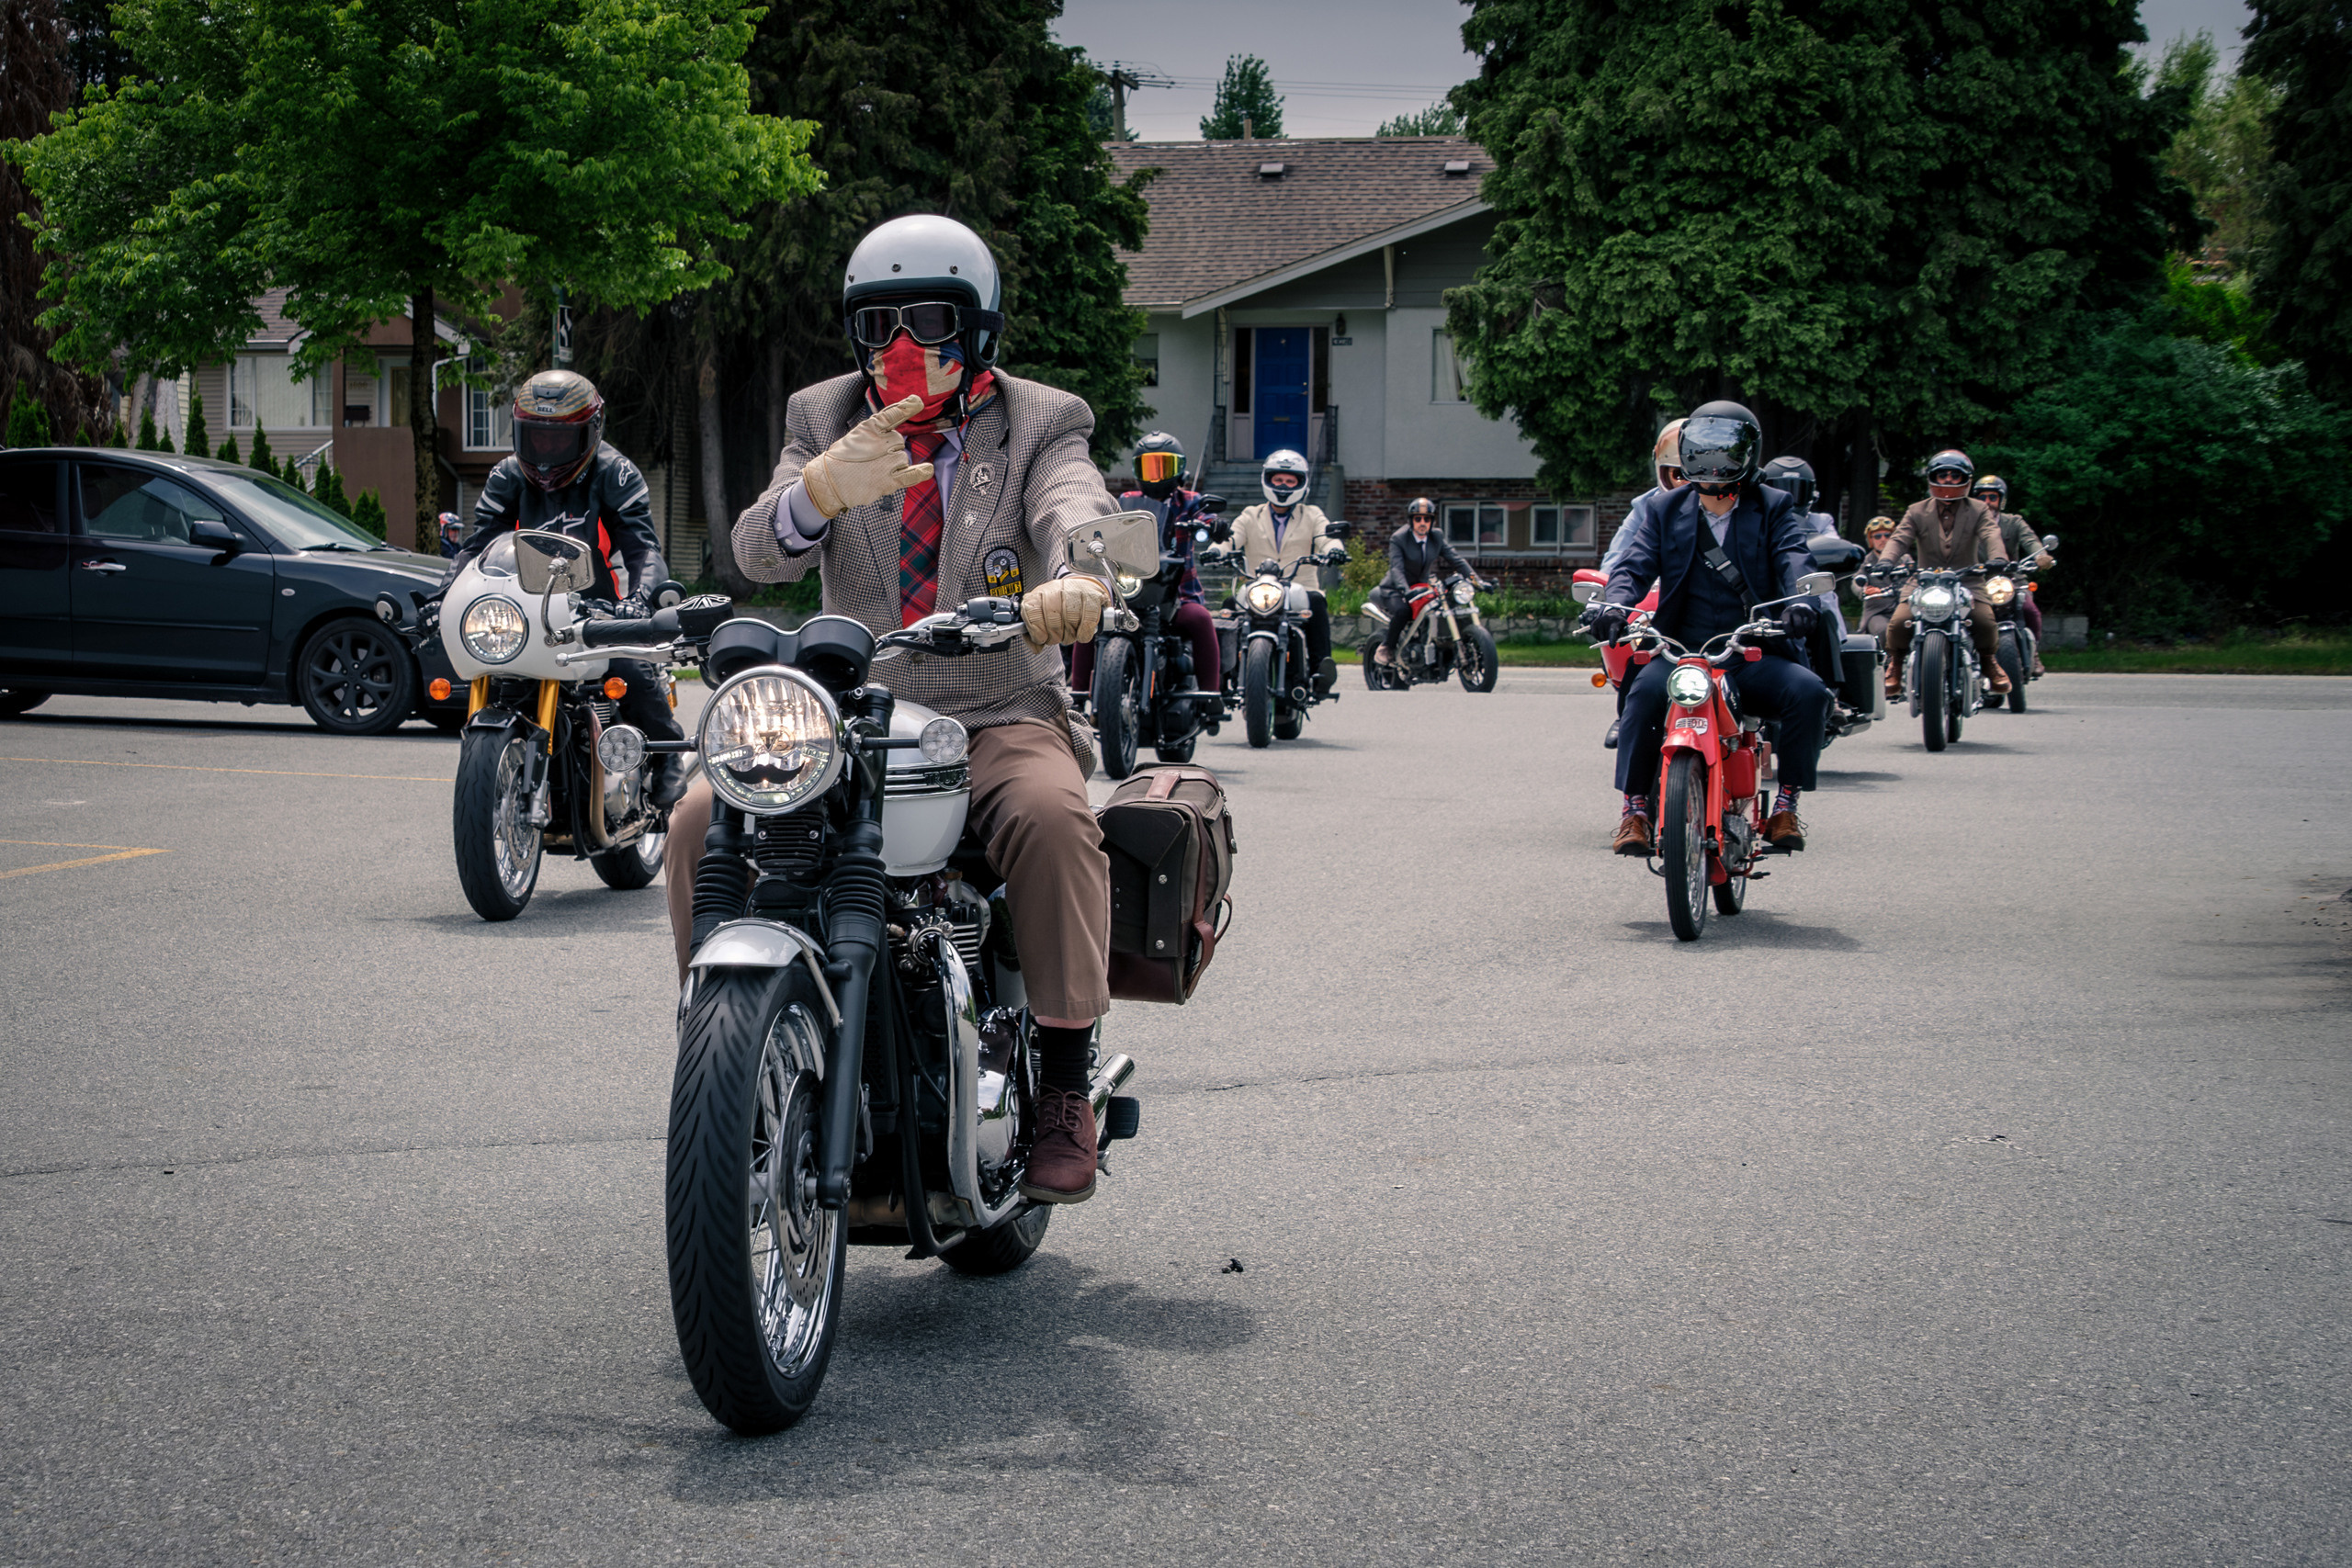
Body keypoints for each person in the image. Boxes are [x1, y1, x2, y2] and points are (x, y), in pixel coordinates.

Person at [667, 212, 1116, 1204]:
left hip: (998, 704)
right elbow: (754, 553)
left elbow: (1074, 503)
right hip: (853, 714)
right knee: (702, 818)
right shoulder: (821, 416)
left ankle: (1065, 1087)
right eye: (879, 325)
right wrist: (816, 493)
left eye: (929, 319)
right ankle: (719, 1044)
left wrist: (1082, 575)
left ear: (978, 329)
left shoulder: (1042, 418)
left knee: (1052, 818)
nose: (903, 347)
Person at [1582, 400, 1832, 856]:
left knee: (1810, 692)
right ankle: (1635, 810)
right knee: (1638, 697)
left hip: (1751, 652)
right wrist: (1615, 605)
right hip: (1682, 652)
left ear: (1746, 454)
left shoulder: (1773, 506)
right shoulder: (1663, 509)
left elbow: (1795, 558)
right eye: (1703, 452)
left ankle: (1786, 805)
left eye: (1725, 453)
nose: (1714, 465)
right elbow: (1633, 566)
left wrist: (1802, 601)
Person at [442, 369, 688, 806]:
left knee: (630, 669)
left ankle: (667, 756)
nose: (547, 452)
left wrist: (639, 599)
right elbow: (476, 548)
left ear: (591, 432)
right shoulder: (506, 476)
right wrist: (445, 593)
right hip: (524, 606)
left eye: (560, 440)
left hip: (598, 609)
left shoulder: (616, 473)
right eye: (536, 438)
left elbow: (643, 549)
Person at [1071, 431, 1225, 705]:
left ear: (1179, 470)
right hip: (1129, 590)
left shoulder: (1189, 501)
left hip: (1176, 595)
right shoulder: (1124, 501)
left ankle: (1210, 696)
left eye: (1163, 467)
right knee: (1091, 616)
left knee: (1201, 619)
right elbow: (1100, 519)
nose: (1155, 476)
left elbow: (1206, 514)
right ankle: (1078, 692)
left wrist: (1213, 525)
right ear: (1136, 470)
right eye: (1147, 468)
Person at [1877, 448, 2009, 697]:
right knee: (1897, 623)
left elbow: (1991, 533)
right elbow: (1899, 538)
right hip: (1923, 581)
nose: (1948, 480)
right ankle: (1894, 665)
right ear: (1932, 477)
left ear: (1965, 480)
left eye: (1954, 475)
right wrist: (1886, 561)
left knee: (1985, 622)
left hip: (1968, 580)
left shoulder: (1979, 509)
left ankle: (1989, 662)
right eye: (1942, 474)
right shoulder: (1916, 510)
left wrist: (1998, 558)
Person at [1228, 448, 1345, 690]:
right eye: (1278, 479)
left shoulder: (1312, 514)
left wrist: (1335, 549)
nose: (1283, 485)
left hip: (1301, 589)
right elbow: (1230, 538)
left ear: (1301, 483)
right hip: (1257, 589)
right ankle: (1226, 672)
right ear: (1267, 480)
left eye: (1290, 480)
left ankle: (1319, 671)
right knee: (1230, 608)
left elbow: (1326, 537)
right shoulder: (1250, 515)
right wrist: (1216, 549)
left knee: (1317, 603)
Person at [1372, 498, 1481, 667]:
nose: (1422, 523)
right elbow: (1396, 569)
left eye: (1427, 519)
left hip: (1422, 587)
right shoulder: (1399, 538)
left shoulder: (1436, 536)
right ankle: (1387, 647)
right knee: (1403, 611)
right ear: (1411, 520)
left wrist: (1477, 581)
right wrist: (1406, 590)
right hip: (1396, 588)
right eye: (1418, 519)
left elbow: (1456, 560)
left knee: (1441, 607)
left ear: (1432, 521)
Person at [1971, 474, 2052, 675]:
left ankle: (2033, 654)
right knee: (1965, 616)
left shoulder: (2013, 522)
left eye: (1992, 497)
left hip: (2011, 580)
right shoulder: (1969, 525)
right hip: (1978, 582)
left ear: (2001, 500)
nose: (1987, 502)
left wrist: (2041, 555)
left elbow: (2030, 540)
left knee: (2029, 610)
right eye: (1982, 498)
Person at [1598, 420, 1687, 580]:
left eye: (1697, 475)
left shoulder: (1725, 504)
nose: (1688, 484)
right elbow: (1617, 561)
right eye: (1679, 475)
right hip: (1652, 599)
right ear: (1662, 472)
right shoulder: (1645, 507)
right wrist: (1606, 591)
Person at [1853, 515, 1905, 645]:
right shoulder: (1867, 561)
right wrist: (1864, 590)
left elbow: (1914, 579)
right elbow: (1856, 581)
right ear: (1870, 540)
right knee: (1883, 630)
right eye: (1877, 536)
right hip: (1877, 612)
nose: (1883, 539)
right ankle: (1886, 662)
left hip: (1903, 610)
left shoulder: (1904, 559)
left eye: (1887, 535)